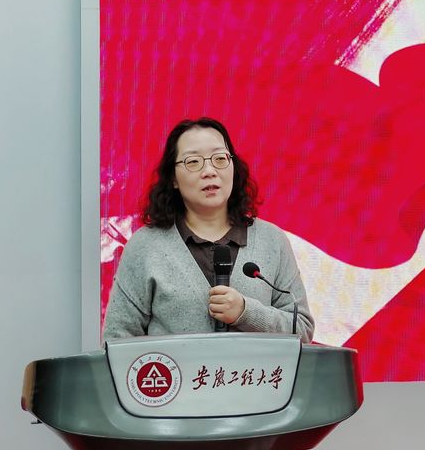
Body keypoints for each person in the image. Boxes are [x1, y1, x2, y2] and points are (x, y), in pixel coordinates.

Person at [102, 117, 314, 343]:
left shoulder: (271, 241)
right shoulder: (145, 246)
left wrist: (246, 312)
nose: (209, 171)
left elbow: (302, 330)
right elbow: (116, 338)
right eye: (193, 162)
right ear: (173, 178)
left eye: (220, 158)